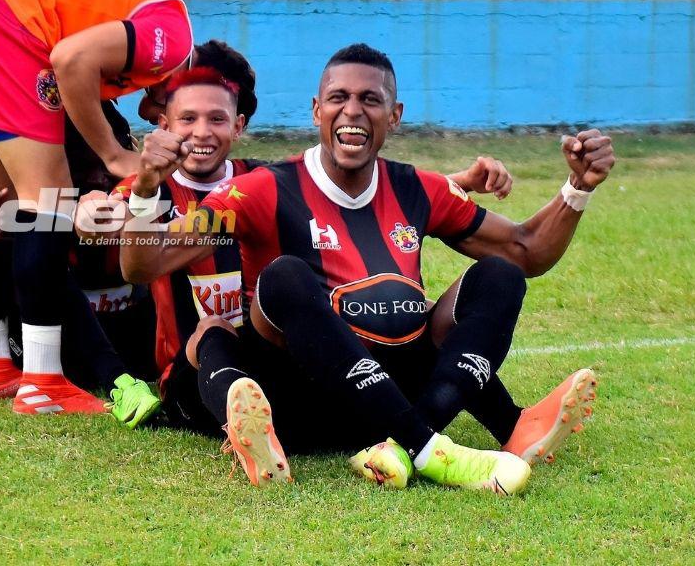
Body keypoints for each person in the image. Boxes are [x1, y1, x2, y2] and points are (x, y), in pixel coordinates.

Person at [119, 44, 611, 494]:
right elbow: (147, 264)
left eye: (370, 100)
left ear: (394, 116)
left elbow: (526, 251)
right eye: (338, 97)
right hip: (298, 400)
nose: (352, 111)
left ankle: (415, 441)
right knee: (282, 279)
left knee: (500, 274)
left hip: (390, 401)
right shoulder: (263, 189)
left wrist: (577, 189)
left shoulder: (418, 188)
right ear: (317, 110)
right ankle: (430, 446)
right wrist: (144, 191)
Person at [105, 62, 512, 438]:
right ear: (163, 126)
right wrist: (96, 206)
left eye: (217, 119)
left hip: (272, 349)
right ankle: (243, 426)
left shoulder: (256, 180)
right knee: (212, 331)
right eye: (187, 120)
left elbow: (333, 184)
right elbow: (119, 238)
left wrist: (456, 181)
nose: (201, 132)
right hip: (194, 364)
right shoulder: (148, 187)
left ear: (239, 126)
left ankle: (501, 422)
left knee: (404, 318)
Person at [0, 0, 195, 415]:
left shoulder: (137, 29)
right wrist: (113, 154)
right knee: (48, 201)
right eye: (183, 115)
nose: (160, 120)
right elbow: (71, 60)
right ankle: (44, 381)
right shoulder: (174, 39)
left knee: (2, 200)